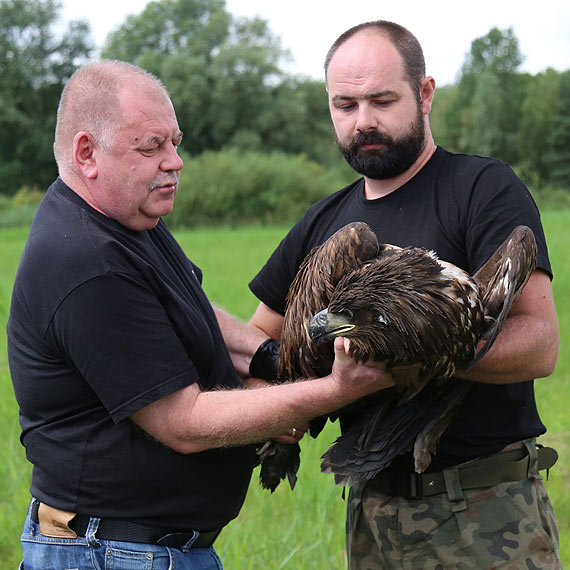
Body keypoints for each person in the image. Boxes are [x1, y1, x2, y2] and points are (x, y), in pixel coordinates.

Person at [6, 60, 394, 570]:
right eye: (151, 146)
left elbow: (190, 309)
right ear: (87, 153)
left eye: (175, 142)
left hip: (139, 547)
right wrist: (334, 390)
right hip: (110, 551)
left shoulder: (128, 221)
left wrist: (276, 360)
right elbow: (182, 422)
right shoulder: (85, 259)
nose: (175, 161)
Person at [248, 20, 561, 569]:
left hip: (483, 510)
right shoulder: (324, 223)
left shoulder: (481, 189)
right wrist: (293, 408)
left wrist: (411, 352)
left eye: (381, 100)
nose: (363, 120)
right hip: (371, 508)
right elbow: (260, 341)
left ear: (424, 94)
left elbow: (539, 344)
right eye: (344, 105)